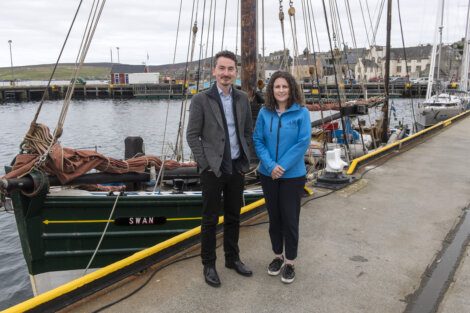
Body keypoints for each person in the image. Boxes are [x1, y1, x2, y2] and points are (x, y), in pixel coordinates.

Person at [186, 50, 254, 287]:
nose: (226, 73)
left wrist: (245, 160)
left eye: (230, 69)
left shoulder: (242, 98)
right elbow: (192, 136)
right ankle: (209, 264)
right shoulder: (201, 100)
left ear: (235, 72)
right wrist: (205, 165)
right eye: (222, 68)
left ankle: (232, 259)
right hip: (212, 170)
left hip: (236, 167)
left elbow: (247, 132)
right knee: (210, 219)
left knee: (234, 216)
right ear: (214, 71)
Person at [252, 71, 311, 284]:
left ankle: (290, 262)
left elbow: (302, 142)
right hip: (268, 175)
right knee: (274, 218)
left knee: (290, 219)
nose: (281, 90)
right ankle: (278, 256)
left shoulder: (301, 113)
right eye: (277, 86)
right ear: (271, 89)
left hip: (292, 176)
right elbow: (258, 139)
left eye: (285, 86)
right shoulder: (264, 113)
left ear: (291, 88)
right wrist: (270, 165)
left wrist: (282, 166)